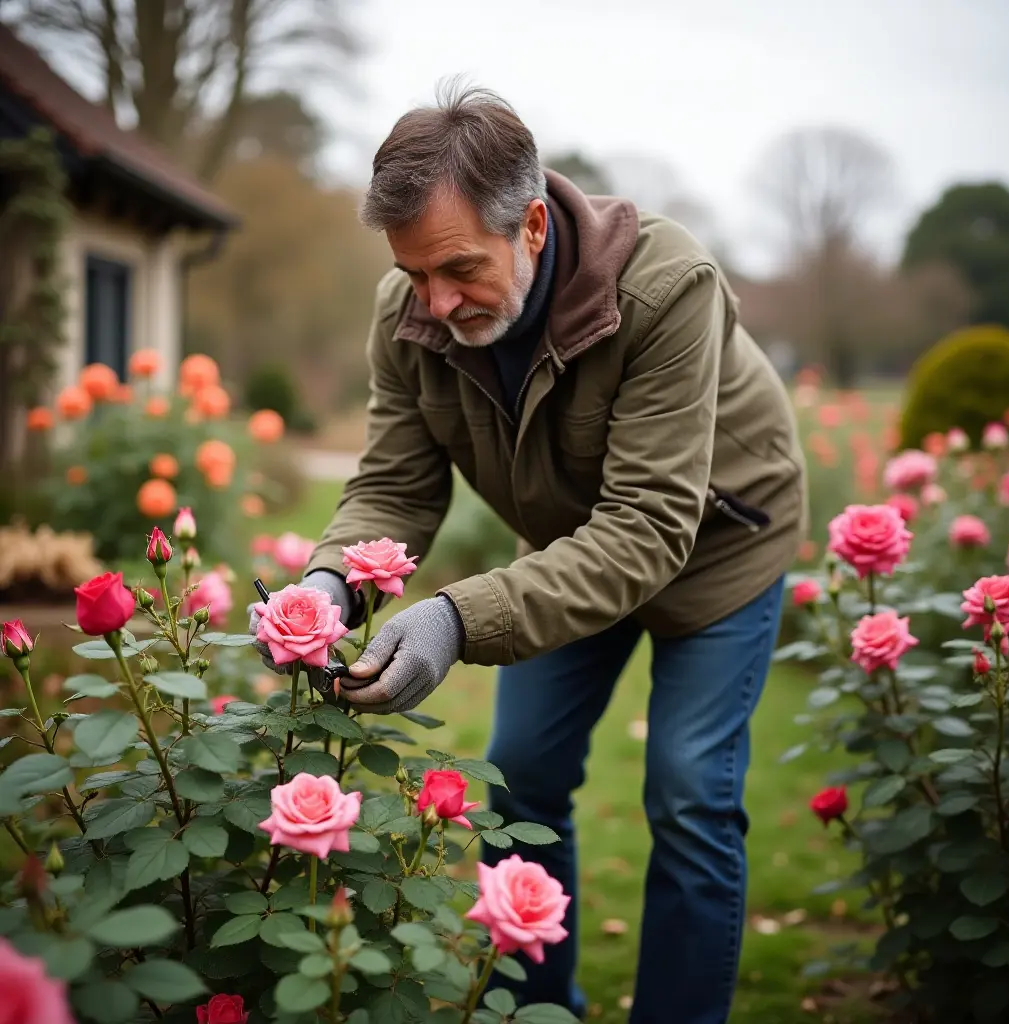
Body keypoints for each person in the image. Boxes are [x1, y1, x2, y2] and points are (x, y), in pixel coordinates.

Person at [250, 80, 806, 1024]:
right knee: (520, 776)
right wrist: (329, 581)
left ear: (535, 226)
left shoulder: (667, 287)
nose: (436, 300)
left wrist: (456, 615)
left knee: (685, 790)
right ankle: (534, 1009)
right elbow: (394, 483)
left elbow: (645, 526)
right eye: (415, 273)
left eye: (459, 268)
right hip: (567, 551)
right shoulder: (411, 311)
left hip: (716, 550)